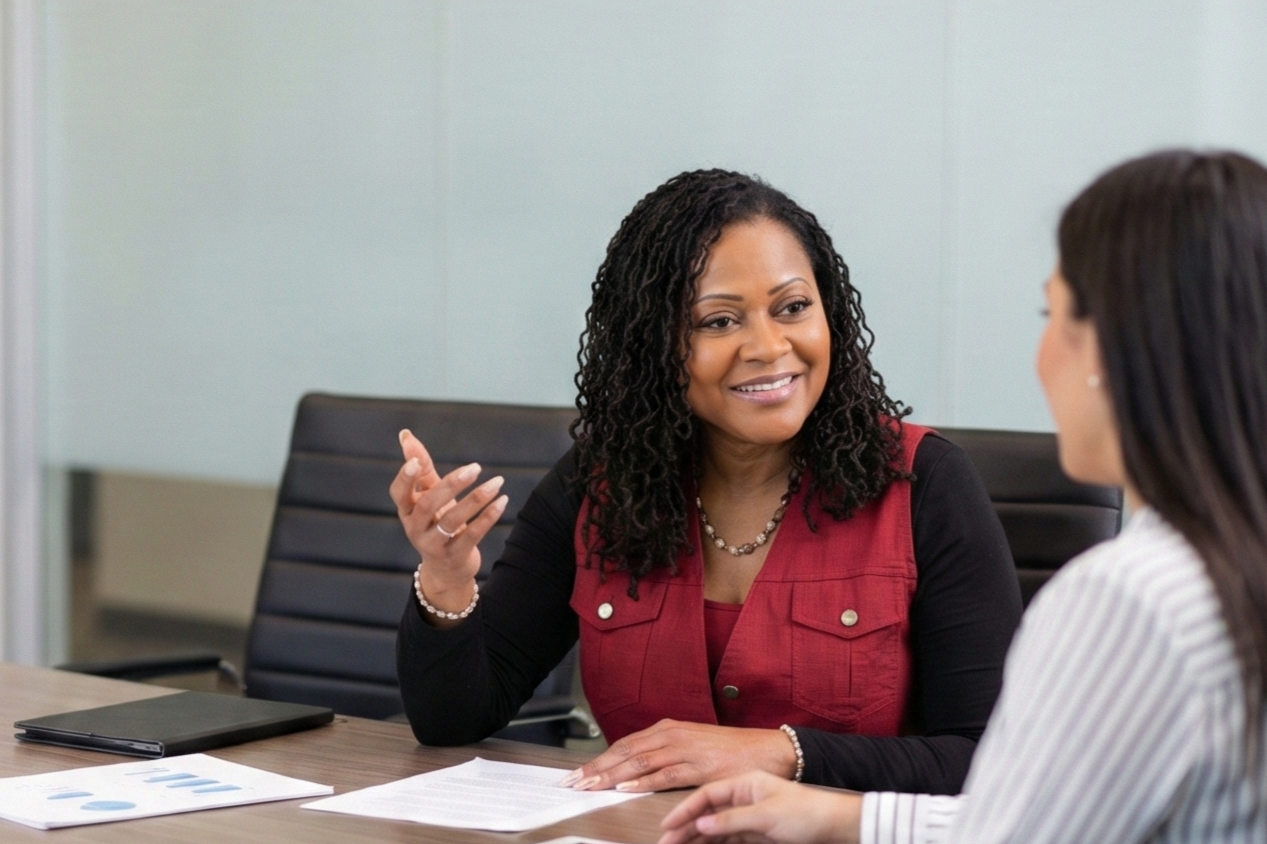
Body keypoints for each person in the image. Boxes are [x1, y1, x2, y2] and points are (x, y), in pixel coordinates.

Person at [658, 150, 1267, 844]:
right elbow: (1035, 822)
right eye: (716, 321)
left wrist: (811, 779)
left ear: (1118, 351)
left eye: (1053, 314)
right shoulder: (1229, 566)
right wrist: (837, 816)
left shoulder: (1130, 597)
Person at [392, 169, 1022, 795]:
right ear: (653, 345)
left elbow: (987, 762)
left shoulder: (925, 485)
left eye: (793, 308)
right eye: (718, 322)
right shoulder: (601, 484)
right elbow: (455, 720)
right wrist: (447, 579)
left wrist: (781, 755)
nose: (769, 347)